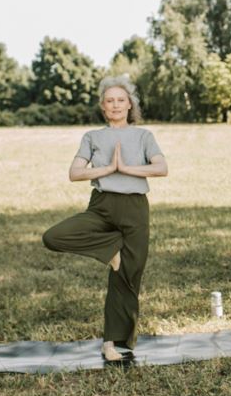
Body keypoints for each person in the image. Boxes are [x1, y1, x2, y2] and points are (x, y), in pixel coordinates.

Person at [42, 75, 167, 361]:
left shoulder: (143, 136)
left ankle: (112, 344)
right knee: (54, 236)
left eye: (121, 100)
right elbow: (75, 173)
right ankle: (109, 250)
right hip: (102, 206)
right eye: (109, 100)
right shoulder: (92, 137)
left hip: (135, 209)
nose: (115, 105)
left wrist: (126, 167)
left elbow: (161, 168)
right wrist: (108, 169)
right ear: (103, 106)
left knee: (128, 277)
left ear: (130, 104)